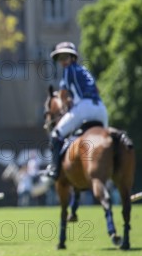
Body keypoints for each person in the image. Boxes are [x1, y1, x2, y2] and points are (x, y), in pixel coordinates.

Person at [45, 41, 108, 181]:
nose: (62, 61)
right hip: (101, 109)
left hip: (84, 109)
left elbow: (63, 95)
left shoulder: (68, 71)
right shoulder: (85, 71)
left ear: (72, 58)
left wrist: (67, 105)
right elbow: (97, 90)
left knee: (56, 134)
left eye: (65, 57)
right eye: (60, 58)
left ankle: (54, 169)